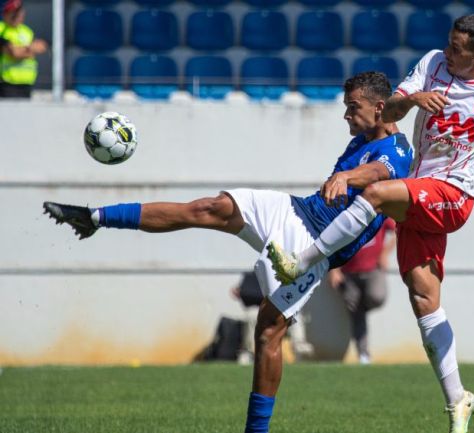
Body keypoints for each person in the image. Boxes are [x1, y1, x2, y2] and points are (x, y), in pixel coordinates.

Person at [41, 71, 413, 433]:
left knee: (268, 332)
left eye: (352, 107)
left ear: (380, 108)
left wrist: (348, 177)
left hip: (315, 247)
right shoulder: (362, 135)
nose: (346, 115)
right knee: (208, 208)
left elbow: (381, 173)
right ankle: (94, 217)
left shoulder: (398, 147)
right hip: (296, 209)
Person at [267, 13, 474, 433]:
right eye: (448, 43)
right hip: (419, 192)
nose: (448, 51)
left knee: (374, 193)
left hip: (452, 194)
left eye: (457, 48)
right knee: (423, 297)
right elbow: (388, 110)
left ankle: (301, 262)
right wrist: (413, 100)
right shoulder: (432, 63)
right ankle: (458, 399)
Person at [327, 217, 396, 364]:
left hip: (374, 269)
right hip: (349, 272)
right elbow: (331, 241)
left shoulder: (379, 212)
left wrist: (385, 252)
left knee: (376, 297)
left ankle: (360, 307)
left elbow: (399, 230)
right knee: (355, 311)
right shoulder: (344, 214)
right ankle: (363, 355)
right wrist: (334, 269)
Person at [0, 0, 47, 98]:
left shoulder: (26, 31)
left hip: (26, 84)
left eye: (19, 12)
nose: (17, 15)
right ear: (6, 13)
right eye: (14, 13)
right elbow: (14, 53)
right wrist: (30, 49)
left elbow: (42, 46)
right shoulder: (2, 29)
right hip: (7, 84)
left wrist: (24, 49)